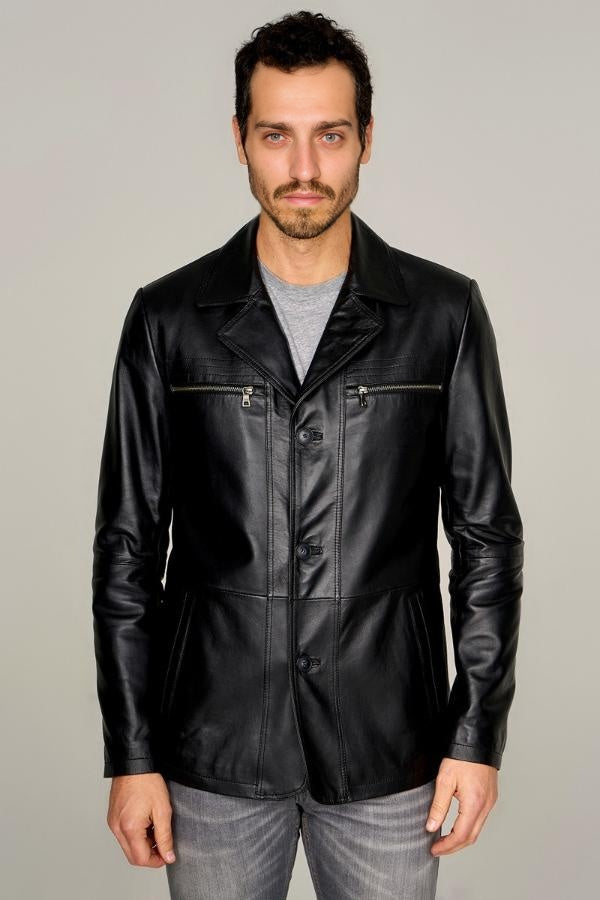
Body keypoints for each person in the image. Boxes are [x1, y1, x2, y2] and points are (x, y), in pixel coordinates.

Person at [92, 10, 524, 899]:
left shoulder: (442, 314)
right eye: (275, 135)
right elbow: (127, 550)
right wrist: (132, 755)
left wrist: (475, 736)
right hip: (212, 748)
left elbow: (486, 541)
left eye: (329, 135)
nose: (302, 168)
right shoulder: (168, 319)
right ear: (239, 140)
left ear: (366, 139)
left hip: (389, 748)